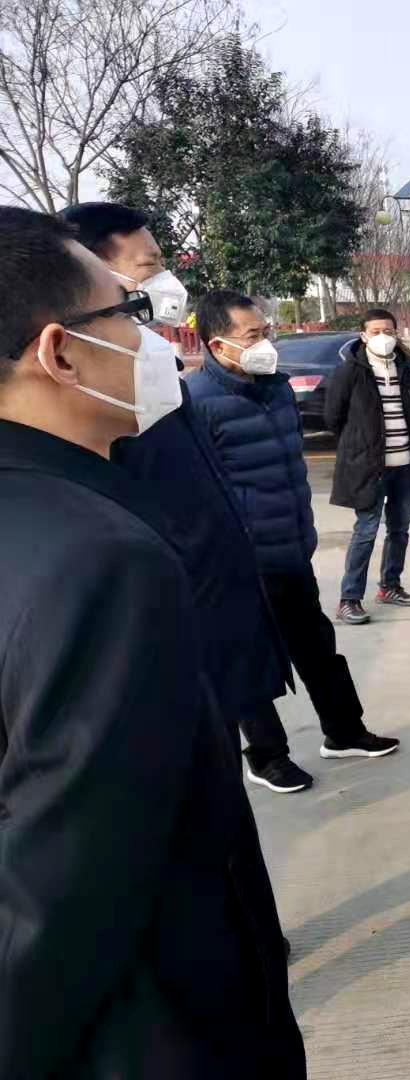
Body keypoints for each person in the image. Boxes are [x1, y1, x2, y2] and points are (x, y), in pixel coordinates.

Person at [0, 206, 305, 1077]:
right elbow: (64, 889)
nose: (153, 341)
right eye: (127, 314)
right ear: (60, 353)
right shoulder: (101, 560)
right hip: (150, 1030)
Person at [59, 201, 295, 793]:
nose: (167, 279)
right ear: (92, 275)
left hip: (220, 582)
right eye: (151, 264)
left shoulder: (152, 364)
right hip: (179, 607)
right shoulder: (92, 393)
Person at [189, 289, 400, 787]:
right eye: (253, 336)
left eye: (266, 332)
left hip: (292, 548)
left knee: (319, 648)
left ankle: (344, 732)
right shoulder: (195, 403)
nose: (266, 343)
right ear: (218, 345)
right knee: (251, 661)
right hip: (241, 562)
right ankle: (267, 757)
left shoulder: (277, 389)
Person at [325, 307, 410, 625]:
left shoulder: (404, 369)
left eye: (388, 331)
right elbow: (333, 417)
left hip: (405, 466)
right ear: (363, 336)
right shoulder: (350, 371)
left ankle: (390, 586)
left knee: (399, 529)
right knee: (366, 531)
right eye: (375, 332)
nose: (383, 337)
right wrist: (360, 444)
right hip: (370, 469)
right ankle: (349, 599)